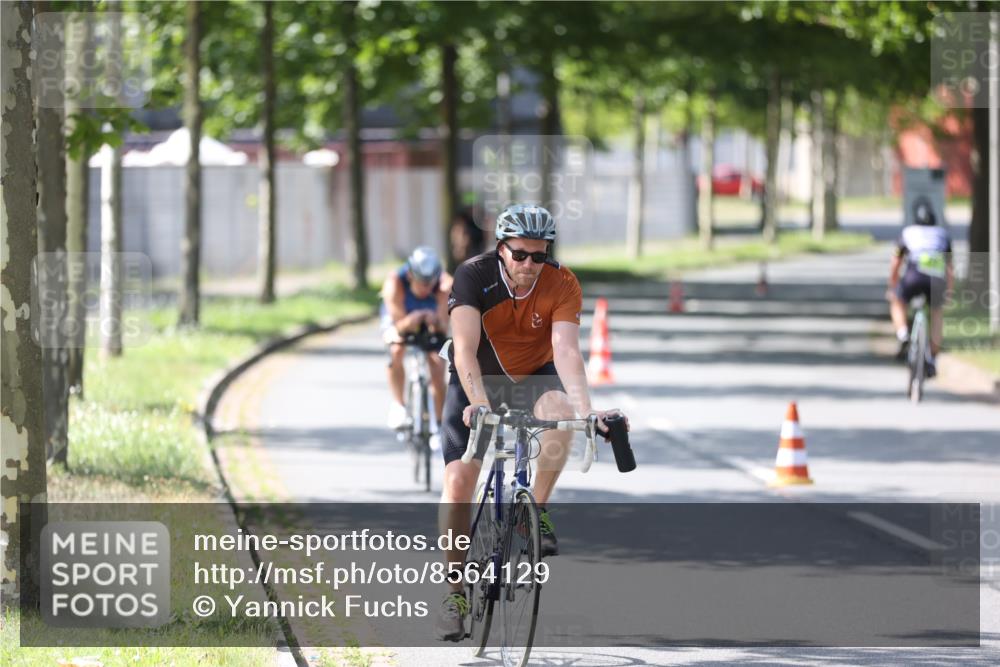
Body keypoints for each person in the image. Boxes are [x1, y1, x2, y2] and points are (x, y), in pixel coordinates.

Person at [434, 204, 623, 641]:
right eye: (520, 255)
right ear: (502, 249)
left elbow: (567, 351)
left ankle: (534, 510)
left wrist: (586, 408)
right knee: (460, 482)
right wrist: (478, 402)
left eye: (539, 256)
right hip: (476, 379)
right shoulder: (473, 276)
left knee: (562, 410)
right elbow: (463, 349)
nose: (530, 265)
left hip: (534, 375)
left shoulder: (562, 282)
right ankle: (455, 592)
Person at [380, 246, 452, 432]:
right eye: (421, 282)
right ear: (411, 275)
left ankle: (439, 424)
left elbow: (443, 327)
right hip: (402, 316)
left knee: (438, 364)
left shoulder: (445, 285)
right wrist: (413, 319)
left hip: (430, 315)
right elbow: (398, 325)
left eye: (429, 284)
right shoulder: (395, 282)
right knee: (396, 349)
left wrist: (434, 320)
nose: (425, 288)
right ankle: (399, 405)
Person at [887, 200, 954, 378]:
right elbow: (949, 268)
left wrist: (892, 286)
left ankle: (902, 334)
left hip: (913, 275)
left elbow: (896, 262)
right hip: (936, 279)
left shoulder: (908, 232)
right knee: (937, 313)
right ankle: (932, 358)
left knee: (897, 301)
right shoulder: (942, 234)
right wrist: (949, 291)